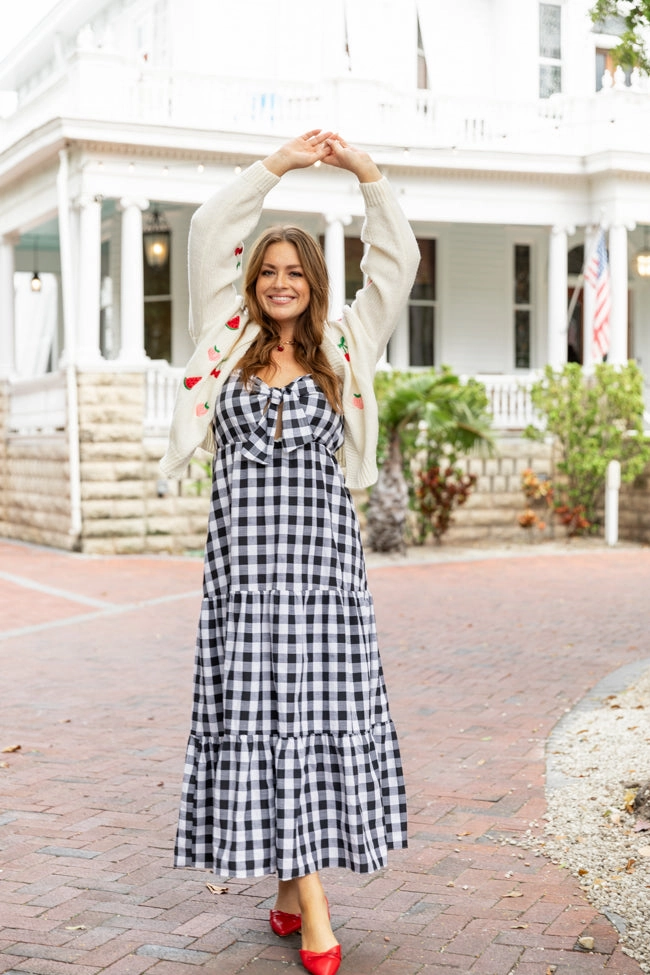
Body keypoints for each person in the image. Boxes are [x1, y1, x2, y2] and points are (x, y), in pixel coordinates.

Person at [160, 130, 420, 975]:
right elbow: (209, 229)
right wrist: (276, 165)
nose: (280, 282)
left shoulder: (346, 347)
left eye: (294, 272)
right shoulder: (223, 337)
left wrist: (367, 174)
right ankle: (305, 898)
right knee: (265, 717)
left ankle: (300, 898)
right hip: (243, 576)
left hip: (322, 578)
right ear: (252, 279)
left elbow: (397, 266)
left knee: (306, 718)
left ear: (313, 282)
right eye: (268, 270)